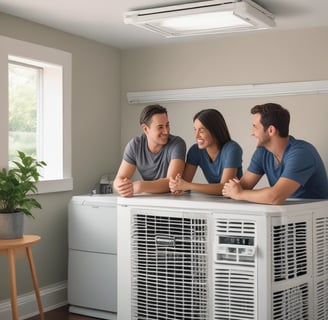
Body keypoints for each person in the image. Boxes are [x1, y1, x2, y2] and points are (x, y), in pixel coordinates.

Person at [222, 103, 328, 204]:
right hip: (285, 216)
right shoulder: (262, 152)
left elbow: (275, 197)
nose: (252, 132)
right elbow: (242, 186)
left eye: (255, 127)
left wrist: (240, 194)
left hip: (312, 217)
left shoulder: (302, 153)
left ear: (271, 130)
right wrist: (235, 190)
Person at [113, 104, 186, 197]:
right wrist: (120, 186)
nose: (166, 131)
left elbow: (171, 183)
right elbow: (119, 179)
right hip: (148, 199)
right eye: (160, 127)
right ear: (145, 129)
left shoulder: (177, 144)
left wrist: (140, 186)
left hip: (174, 200)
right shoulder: (135, 145)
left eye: (167, 125)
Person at [169, 108, 243, 195]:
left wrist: (189, 186)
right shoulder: (195, 151)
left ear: (215, 130)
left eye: (201, 130)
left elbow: (224, 188)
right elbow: (183, 184)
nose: (196, 136)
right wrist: (176, 185)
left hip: (236, 201)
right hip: (214, 201)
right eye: (195, 129)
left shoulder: (232, 149)